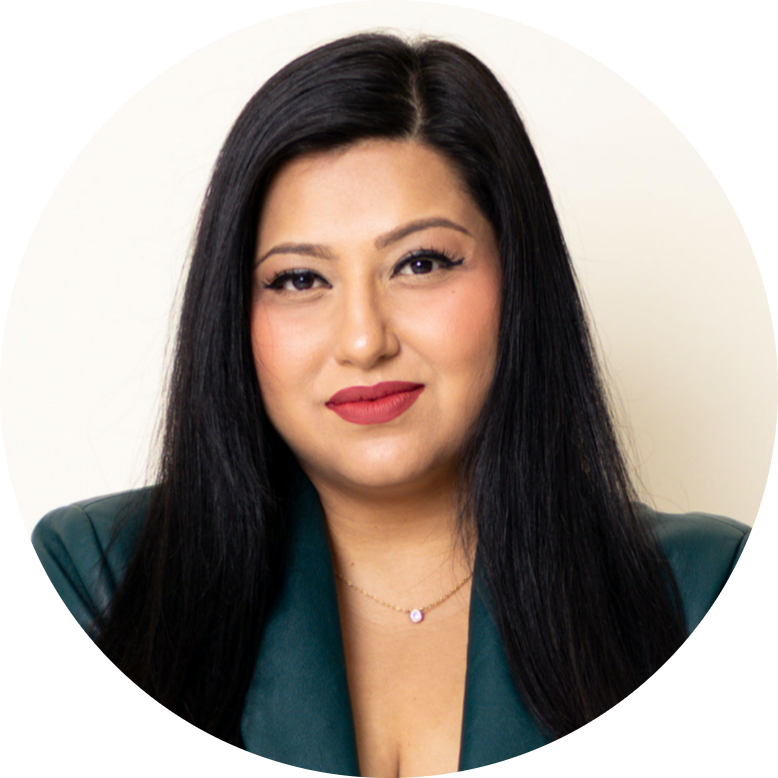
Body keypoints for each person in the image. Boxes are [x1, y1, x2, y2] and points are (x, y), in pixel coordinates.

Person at [32, 32, 752, 777]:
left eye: (420, 263)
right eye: (299, 280)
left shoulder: (717, 592)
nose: (363, 339)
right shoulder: (101, 581)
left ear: (519, 281)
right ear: (233, 315)